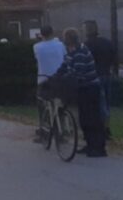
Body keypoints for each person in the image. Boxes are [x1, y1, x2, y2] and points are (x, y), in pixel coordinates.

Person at [55, 28, 107, 158]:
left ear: (69, 40)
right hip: (83, 88)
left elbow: (78, 73)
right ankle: (90, 144)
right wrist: (56, 76)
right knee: (84, 118)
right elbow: (65, 65)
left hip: (89, 88)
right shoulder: (72, 52)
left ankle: (98, 148)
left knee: (92, 119)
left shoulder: (80, 53)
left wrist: (65, 78)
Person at [33, 25, 66, 141]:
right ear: (52, 33)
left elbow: (37, 60)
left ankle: (43, 132)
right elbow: (64, 57)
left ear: (41, 34)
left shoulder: (37, 47)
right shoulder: (60, 45)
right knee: (59, 105)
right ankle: (60, 131)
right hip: (60, 79)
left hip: (44, 79)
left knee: (42, 105)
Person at [83, 21, 116, 137]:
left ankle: (101, 129)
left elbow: (85, 62)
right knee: (106, 102)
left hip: (94, 77)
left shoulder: (86, 45)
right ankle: (107, 127)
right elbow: (113, 58)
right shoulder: (106, 42)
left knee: (98, 104)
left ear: (87, 30)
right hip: (107, 74)